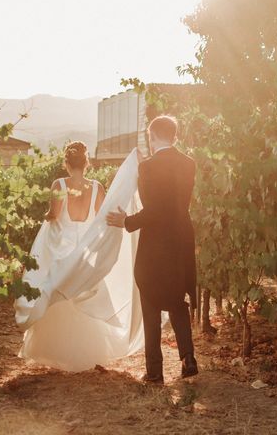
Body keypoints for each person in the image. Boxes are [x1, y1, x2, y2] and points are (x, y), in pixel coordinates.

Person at [14, 141, 144, 371]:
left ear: (66, 163)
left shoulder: (59, 184)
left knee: (56, 293)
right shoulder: (97, 188)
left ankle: (56, 350)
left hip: (60, 248)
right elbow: (103, 217)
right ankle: (86, 353)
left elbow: (53, 215)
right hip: (84, 250)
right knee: (82, 289)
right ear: (87, 163)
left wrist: (46, 213)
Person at [106, 115, 198, 384]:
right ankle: (188, 358)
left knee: (151, 302)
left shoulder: (147, 168)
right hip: (182, 238)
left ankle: (155, 371)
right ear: (175, 135)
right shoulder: (189, 163)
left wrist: (127, 221)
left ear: (152, 135)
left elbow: (155, 210)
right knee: (177, 300)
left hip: (156, 244)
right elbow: (175, 206)